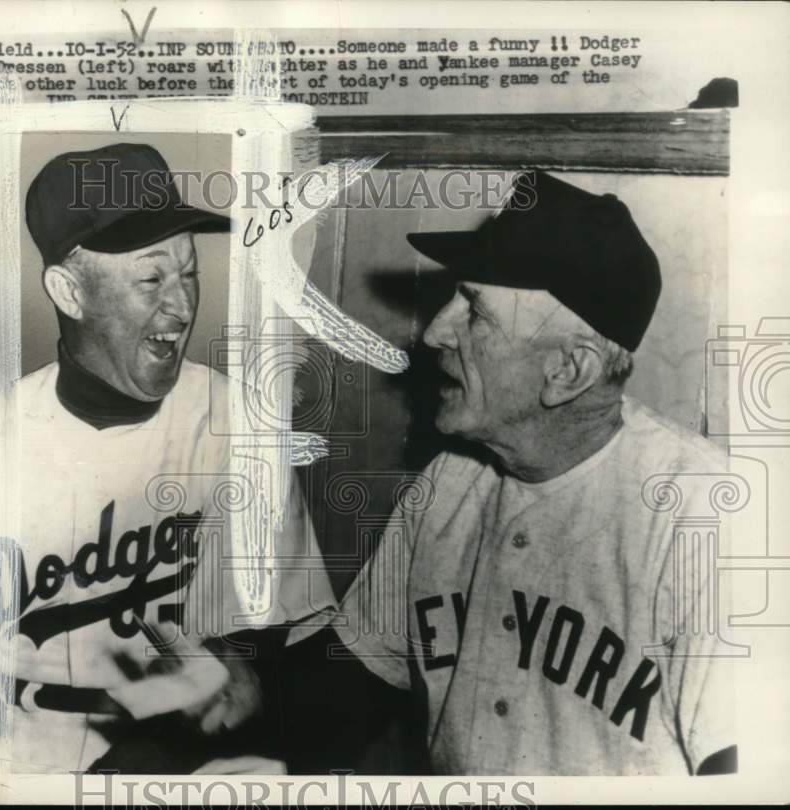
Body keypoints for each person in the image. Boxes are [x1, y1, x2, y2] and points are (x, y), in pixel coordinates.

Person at [0, 142, 334, 774]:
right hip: (19, 770)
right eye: (151, 279)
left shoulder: (236, 424)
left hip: (184, 766)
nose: (182, 308)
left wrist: (247, 679)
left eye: (189, 274)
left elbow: (281, 642)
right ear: (68, 292)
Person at [291, 171, 737, 775]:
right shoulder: (449, 480)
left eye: (473, 311)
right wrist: (247, 696)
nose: (433, 333)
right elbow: (363, 674)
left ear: (566, 372)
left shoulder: (711, 521)